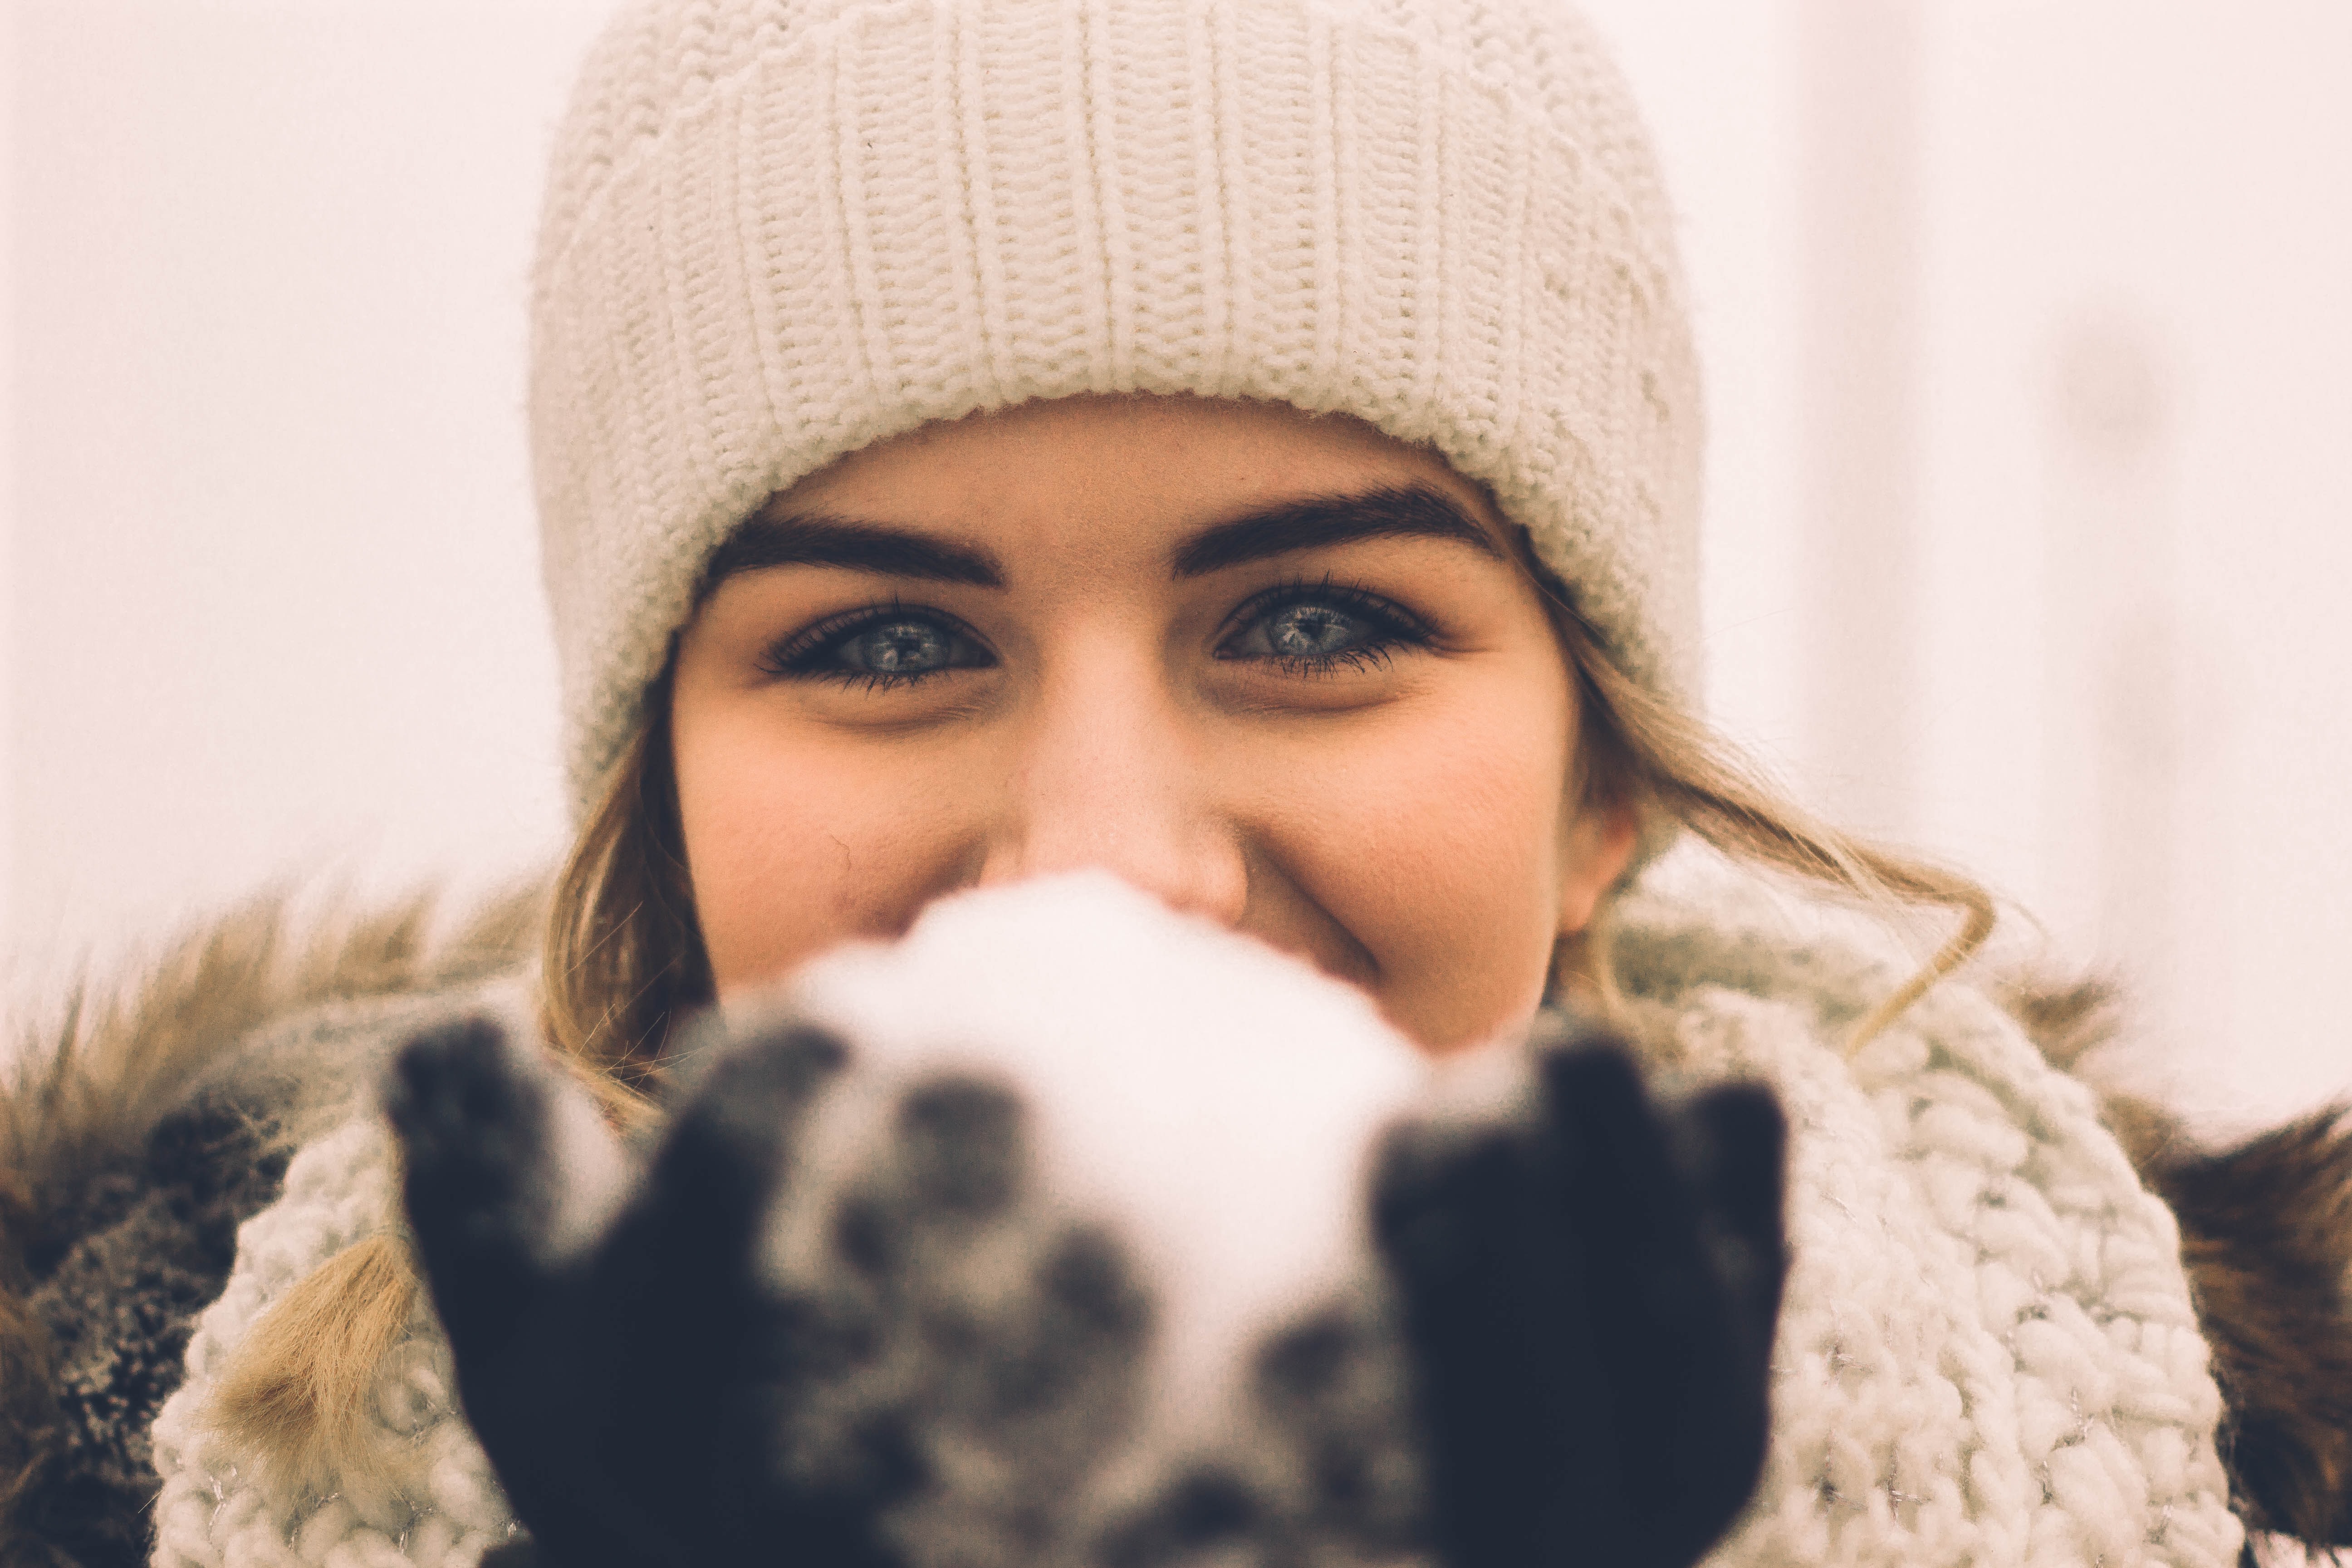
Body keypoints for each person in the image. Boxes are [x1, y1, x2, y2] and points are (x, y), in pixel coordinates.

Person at [2, 0, 2349, 1564]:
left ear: (1597, 781)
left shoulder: (2264, 1442)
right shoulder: (92, 1467)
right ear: (665, 794)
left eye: (1315, 624)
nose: (1111, 862)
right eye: (889, 644)